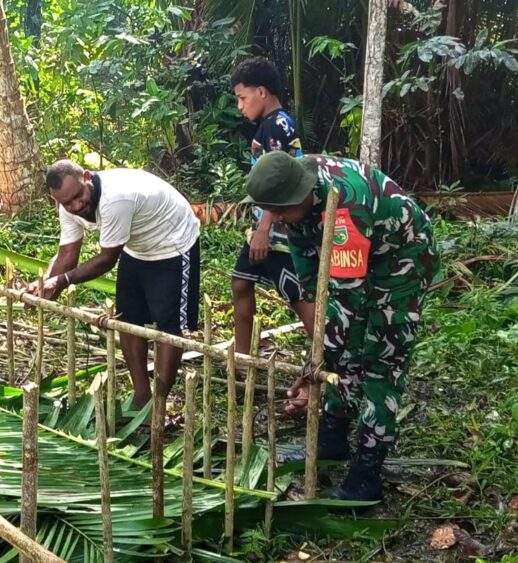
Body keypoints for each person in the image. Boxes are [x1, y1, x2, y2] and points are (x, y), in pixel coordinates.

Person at [242, 151, 438, 500]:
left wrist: (316, 363)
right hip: (359, 256)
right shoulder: (293, 196)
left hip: (400, 259)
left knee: (381, 359)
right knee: (345, 351)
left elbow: (347, 300)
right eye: (274, 211)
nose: (279, 219)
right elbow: (310, 269)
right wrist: (324, 350)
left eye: (282, 211)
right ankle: (332, 438)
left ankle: (366, 474)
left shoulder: (346, 204)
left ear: (301, 195)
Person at [35, 160, 201, 409]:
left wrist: (62, 281)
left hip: (172, 242)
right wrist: (45, 285)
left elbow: (107, 259)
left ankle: (159, 402)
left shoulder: (115, 199)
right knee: (127, 319)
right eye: (67, 203)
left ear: (87, 177)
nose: (76, 206)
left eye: (78, 196)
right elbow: (67, 254)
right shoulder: (69, 208)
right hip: (136, 246)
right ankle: (142, 396)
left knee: (168, 326)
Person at [230, 57, 315, 400]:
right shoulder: (268, 125)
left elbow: (282, 183)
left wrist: (265, 229)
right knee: (241, 281)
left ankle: (326, 356)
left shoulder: (278, 125)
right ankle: (242, 361)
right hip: (263, 227)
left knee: (296, 295)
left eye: (242, 97)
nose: (240, 106)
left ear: (261, 92)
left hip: (278, 229)